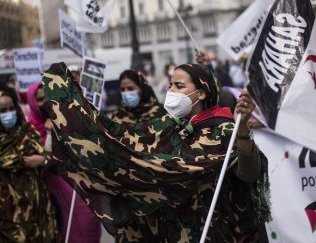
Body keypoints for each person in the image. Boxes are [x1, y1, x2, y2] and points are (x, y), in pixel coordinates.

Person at [41, 62, 270, 242]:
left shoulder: (226, 129)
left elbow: (249, 174)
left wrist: (242, 133)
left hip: (216, 231)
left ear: (201, 93)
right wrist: (73, 106)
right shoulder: (165, 127)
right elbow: (116, 139)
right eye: (170, 85)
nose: (171, 91)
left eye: (179, 86)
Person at [0, 90, 60, 242]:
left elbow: (45, 159)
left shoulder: (27, 132)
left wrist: (42, 160)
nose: (9, 113)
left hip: (36, 212)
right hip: (5, 217)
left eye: (11, 108)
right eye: (3, 110)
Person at [27, 82, 102, 243]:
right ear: (33, 103)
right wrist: (48, 132)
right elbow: (41, 158)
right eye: (40, 99)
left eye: (48, 98)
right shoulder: (29, 130)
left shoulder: (66, 120)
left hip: (76, 185)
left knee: (88, 223)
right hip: (52, 187)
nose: (45, 103)